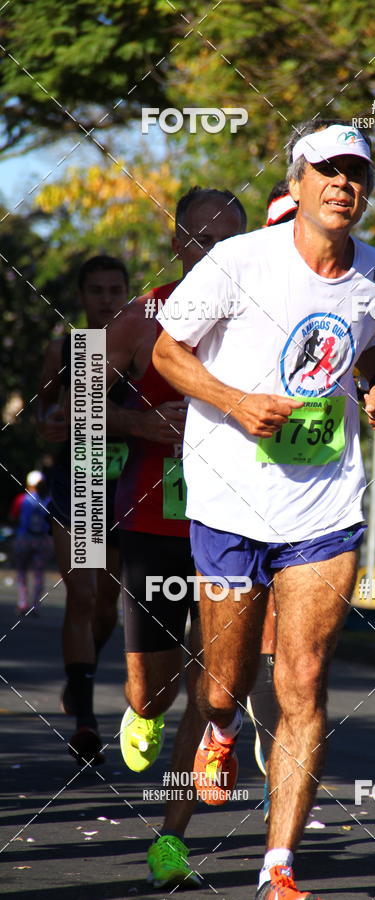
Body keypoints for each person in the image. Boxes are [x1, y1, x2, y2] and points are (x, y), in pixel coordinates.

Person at [153, 119, 375, 899]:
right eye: (326, 170)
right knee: (221, 683)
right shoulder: (237, 262)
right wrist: (237, 402)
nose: (342, 184)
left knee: (302, 679)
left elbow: (369, 350)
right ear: (294, 183)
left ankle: (278, 867)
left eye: (356, 173)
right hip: (231, 496)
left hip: (324, 504)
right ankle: (193, 794)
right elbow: (168, 353)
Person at [104, 187, 247, 889]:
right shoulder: (140, 319)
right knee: (154, 689)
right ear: (176, 243)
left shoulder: (267, 309)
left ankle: (172, 840)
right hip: (158, 524)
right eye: (200, 241)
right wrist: (137, 426)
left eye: (228, 241)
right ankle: (140, 709)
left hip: (246, 523)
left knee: (217, 684)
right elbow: (68, 408)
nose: (213, 255)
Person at [37, 256, 130, 766]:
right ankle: (86, 721)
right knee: (84, 592)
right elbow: (43, 410)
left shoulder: (142, 346)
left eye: (115, 290)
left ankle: (79, 678)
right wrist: (49, 425)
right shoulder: (67, 349)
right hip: (81, 482)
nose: (106, 300)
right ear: (81, 296)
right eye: (96, 291)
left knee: (104, 606)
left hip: (125, 489)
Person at [9, 471, 52, 616]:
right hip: (42, 540)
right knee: (39, 574)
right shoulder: (49, 500)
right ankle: (35, 605)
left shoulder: (22, 499)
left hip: (24, 539)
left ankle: (22, 603)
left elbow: (13, 516)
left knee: (22, 572)